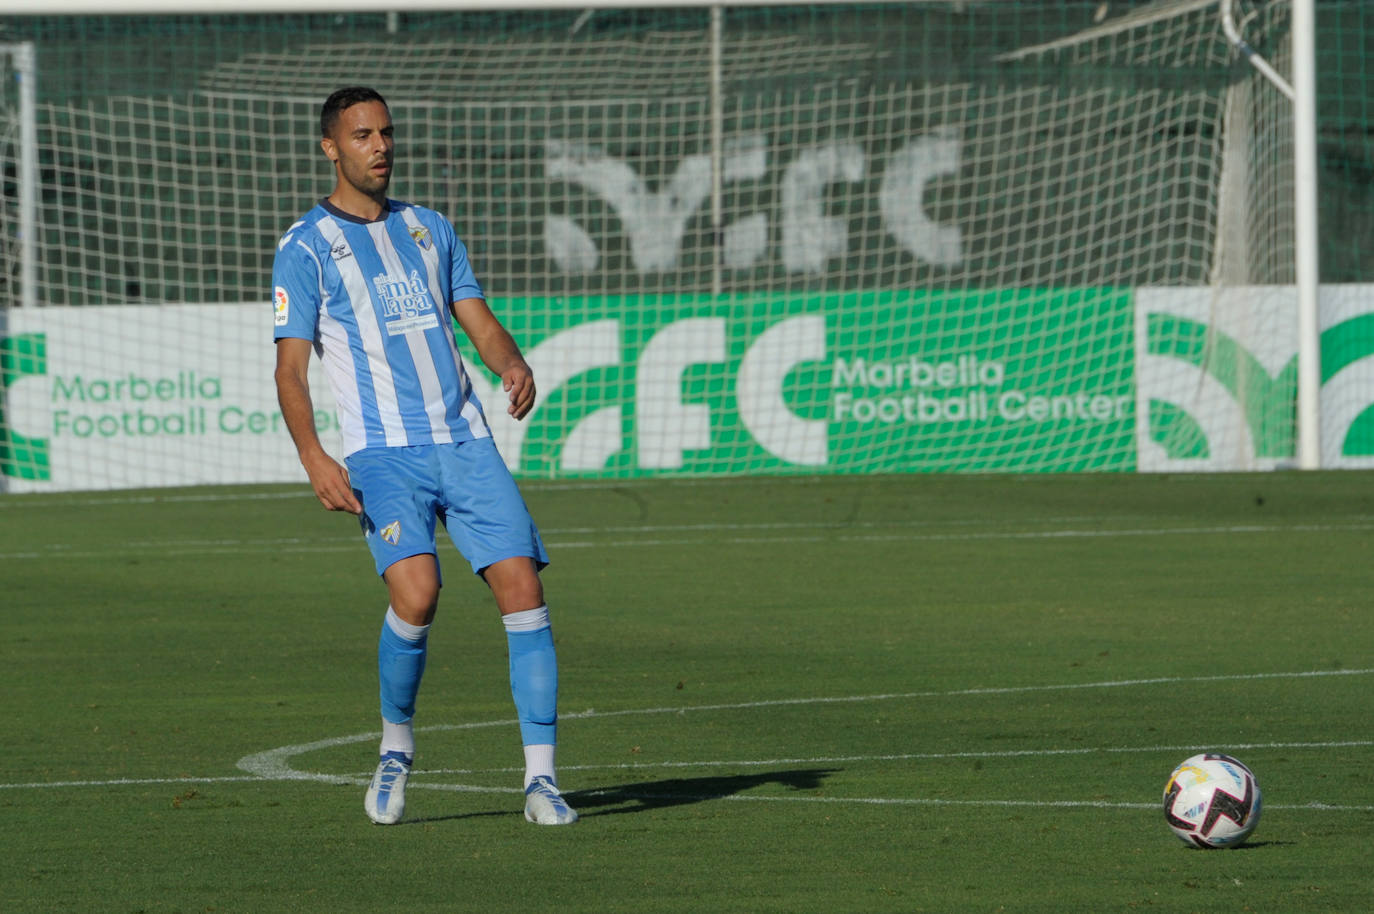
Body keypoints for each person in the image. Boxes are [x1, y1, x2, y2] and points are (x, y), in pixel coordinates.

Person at [271, 86, 576, 827]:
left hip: (465, 439)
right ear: (331, 148)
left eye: (386, 133)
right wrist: (314, 455)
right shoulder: (306, 246)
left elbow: (480, 322)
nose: (379, 146)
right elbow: (290, 369)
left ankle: (541, 783)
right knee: (417, 594)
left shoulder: (430, 229)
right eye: (362, 135)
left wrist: (511, 362)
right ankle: (396, 747)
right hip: (383, 454)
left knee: (523, 591)